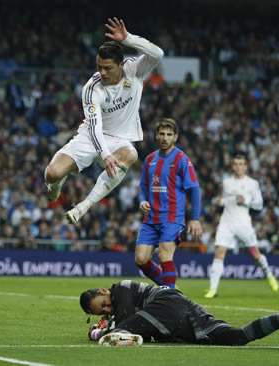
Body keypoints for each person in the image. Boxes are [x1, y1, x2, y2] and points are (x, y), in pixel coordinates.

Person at [44, 18, 164, 224]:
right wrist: (105, 155)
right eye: (99, 66)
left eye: (108, 67)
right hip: (91, 137)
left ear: (121, 64)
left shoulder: (135, 70)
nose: (102, 72)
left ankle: (83, 207)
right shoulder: (92, 88)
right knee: (52, 173)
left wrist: (128, 38)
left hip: (120, 139)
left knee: (131, 153)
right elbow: (94, 126)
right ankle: (55, 186)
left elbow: (158, 53)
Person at [80, 280, 279, 347]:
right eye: (102, 311)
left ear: (104, 291)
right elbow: (128, 318)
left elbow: (126, 317)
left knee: (118, 333)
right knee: (237, 337)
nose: (107, 308)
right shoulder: (121, 303)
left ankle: (117, 337)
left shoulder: (120, 288)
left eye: (103, 304)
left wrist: (98, 331)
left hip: (165, 304)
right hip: (183, 307)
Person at [135, 118, 203, 289]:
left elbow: (195, 189)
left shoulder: (181, 159)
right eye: (162, 134)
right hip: (151, 218)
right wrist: (142, 200)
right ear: (156, 136)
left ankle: (170, 299)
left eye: (169, 135)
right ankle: (171, 289)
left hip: (172, 217)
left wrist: (194, 218)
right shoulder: (150, 159)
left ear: (175, 137)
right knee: (141, 259)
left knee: (164, 253)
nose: (165, 138)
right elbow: (143, 186)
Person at [205, 154, 278, 298]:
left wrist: (246, 200)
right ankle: (212, 289)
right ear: (232, 166)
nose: (238, 167)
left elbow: (259, 204)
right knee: (219, 252)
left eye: (241, 164)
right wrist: (219, 201)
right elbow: (226, 200)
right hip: (226, 221)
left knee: (255, 255)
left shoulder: (252, 183)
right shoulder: (226, 182)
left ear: (246, 166)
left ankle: (268, 274)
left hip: (243, 223)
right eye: (236, 164)